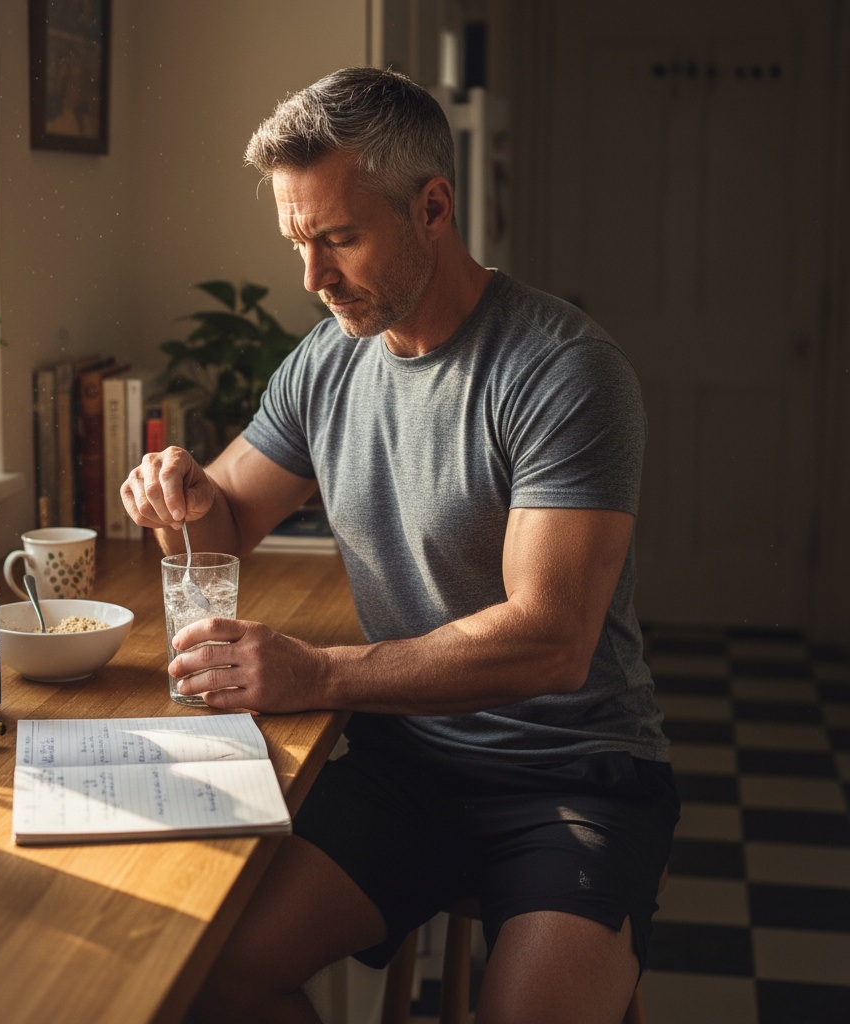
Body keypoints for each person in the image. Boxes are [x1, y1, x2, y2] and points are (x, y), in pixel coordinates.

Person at [120, 66, 678, 1024]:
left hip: (572, 772)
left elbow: (552, 640)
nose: (313, 277)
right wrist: (181, 494)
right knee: (213, 971)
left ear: (432, 207)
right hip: (409, 768)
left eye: (338, 237)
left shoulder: (562, 371)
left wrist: (319, 673)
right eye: (299, 241)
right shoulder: (329, 358)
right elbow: (229, 524)